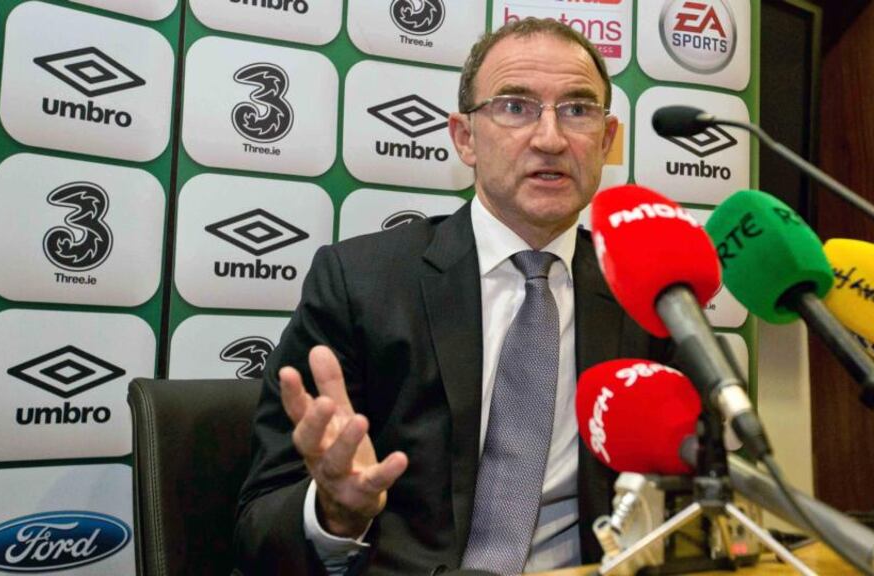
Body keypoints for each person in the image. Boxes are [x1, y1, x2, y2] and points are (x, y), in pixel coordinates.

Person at [234, 18, 675, 576]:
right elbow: (260, 518)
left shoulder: (647, 293)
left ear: (607, 141)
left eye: (577, 110)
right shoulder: (360, 281)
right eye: (515, 107)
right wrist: (335, 513)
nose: (550, 138)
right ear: (465, 138)